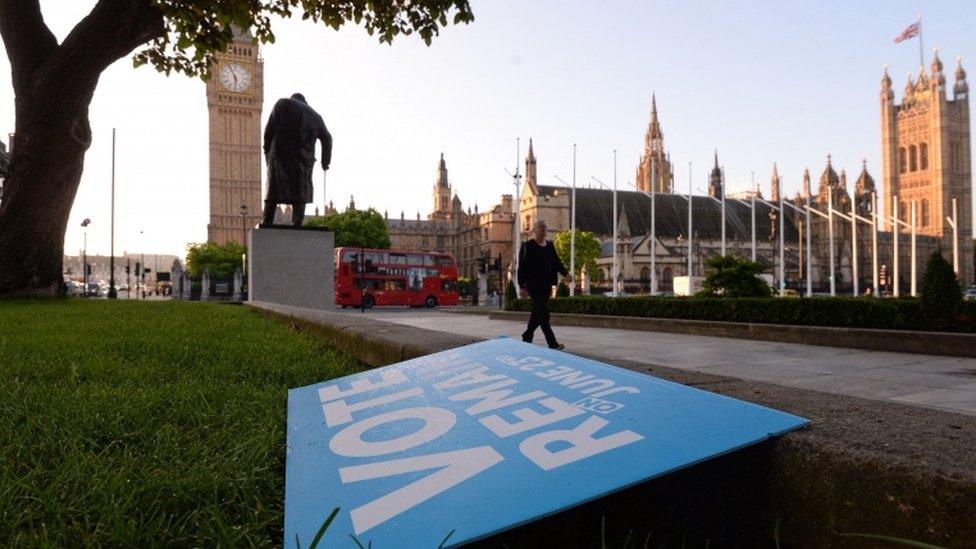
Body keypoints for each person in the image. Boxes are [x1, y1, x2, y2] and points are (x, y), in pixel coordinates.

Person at [262, 93, 333, 227]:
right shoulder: (316, 117)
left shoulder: (282, 104)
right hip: (304, 160)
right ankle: (297, 222)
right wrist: (325, 162)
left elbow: (268, 131)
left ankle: (267, 221)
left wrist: (267, 150)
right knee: (301, 193)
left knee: (273, 190)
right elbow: (327, 139)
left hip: (280, 157)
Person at [517, 219, 572, 350]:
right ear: (535, 230)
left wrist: (566, 274)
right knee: (544, 314)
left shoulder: (550, 245)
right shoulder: (527, 246)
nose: (543, 230)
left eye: (545, 228)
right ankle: (552, 343)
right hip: (533, 285)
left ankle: (527, 335)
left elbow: (556, 262)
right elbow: (522, 267)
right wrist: (521, 286)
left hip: (546, 284)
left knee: (537, 313)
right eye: (541, 227)